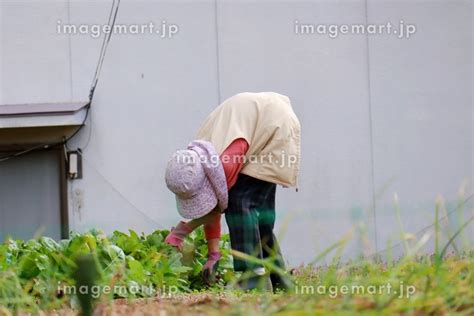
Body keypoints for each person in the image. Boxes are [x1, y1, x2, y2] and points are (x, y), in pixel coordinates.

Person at [164, 92, 301, 290]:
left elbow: (219, 205)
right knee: (258, 218)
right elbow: (214, 204)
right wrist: (213, 255)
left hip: (275, 128)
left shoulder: (226, 161)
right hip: (266, 122)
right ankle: (280, 280)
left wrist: (181, 231)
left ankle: (251, 277)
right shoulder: (202, 157)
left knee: (240, 201)